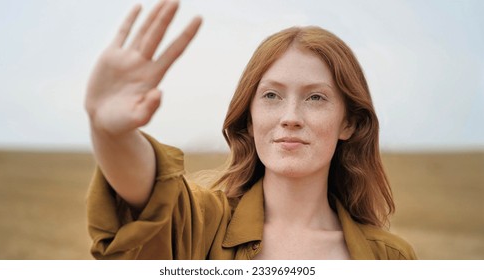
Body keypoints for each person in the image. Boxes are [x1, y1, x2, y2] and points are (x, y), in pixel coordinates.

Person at [85, 0, 416, 260]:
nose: (290, 117)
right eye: (271, 95)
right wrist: (109, 133)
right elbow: (151, 191)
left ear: (350, 123)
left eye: (315, 97)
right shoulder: (204, 226)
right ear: (249, 117)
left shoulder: (389, 258)